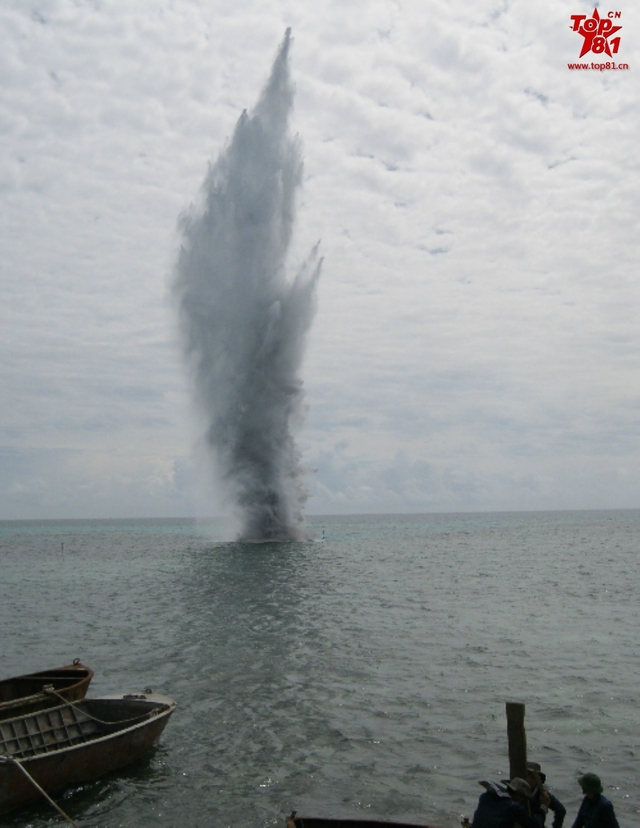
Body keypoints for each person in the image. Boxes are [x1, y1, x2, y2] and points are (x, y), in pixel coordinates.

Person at [471, 777, 539, 828]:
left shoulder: (485, 797)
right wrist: (543, 809)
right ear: (519, 796)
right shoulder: (514, 807)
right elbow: (534, 826)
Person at [526, 761, 566, 828]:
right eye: (527, 776)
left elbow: (561, 810)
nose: (529, 780)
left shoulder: (542, 795)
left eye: (533, 778)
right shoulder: (515, 790)